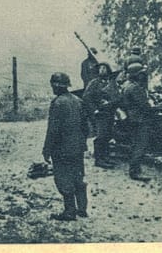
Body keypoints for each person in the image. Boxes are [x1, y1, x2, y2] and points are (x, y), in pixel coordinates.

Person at [42, 72, 89, 221]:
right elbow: (85, 127)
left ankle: (69, 211)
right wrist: (81, 142)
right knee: (78, 176)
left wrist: (47, 149)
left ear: (56, 86)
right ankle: (82, 209)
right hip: (78, 147)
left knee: (63, 178)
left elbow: (53, 130)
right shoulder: (78, 101)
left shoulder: (57, 103)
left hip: (62, 148)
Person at [82, 63, 119, 169]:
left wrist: (112, 103)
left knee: (107, 136)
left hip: (110, 113)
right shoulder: (94, 83)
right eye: (100, 68)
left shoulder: (112, 83)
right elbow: (86, 97)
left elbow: (117, 96)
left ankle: (105, 157)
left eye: (104, 68)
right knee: (101, 136)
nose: (102, 70)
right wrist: (95, 110)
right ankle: (99, 160)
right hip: (100, 114)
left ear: (108, 70)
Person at [121, 63, 151, 182]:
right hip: (139, 119)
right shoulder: (134, 88)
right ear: (136, 75)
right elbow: (144, 104)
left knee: (135, 144)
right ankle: (134, 172)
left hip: (132, 118)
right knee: (140, 145)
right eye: (140, 73)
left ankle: (134, 169)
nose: (142, 75)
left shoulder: (127, 85)